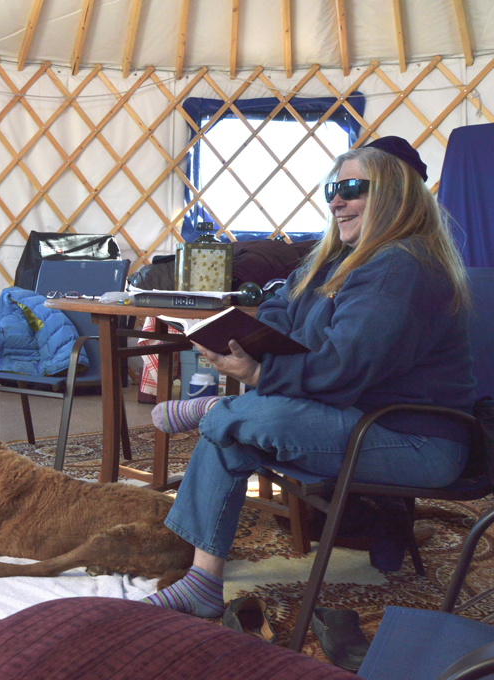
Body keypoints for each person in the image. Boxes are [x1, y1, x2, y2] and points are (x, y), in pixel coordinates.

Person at [144, 136, 475, 618]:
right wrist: (253, 340)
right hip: (355, 417)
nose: (337, 200)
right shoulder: (338, 259)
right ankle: (202, 580)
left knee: (263, 418)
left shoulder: (401, 266)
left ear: (394, 195)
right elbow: (280, 306)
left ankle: (217, 410)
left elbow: (343, 367)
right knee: (237, 432)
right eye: (331, 188)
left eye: (353, 188)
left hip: (415, 439)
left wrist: (260, 371)